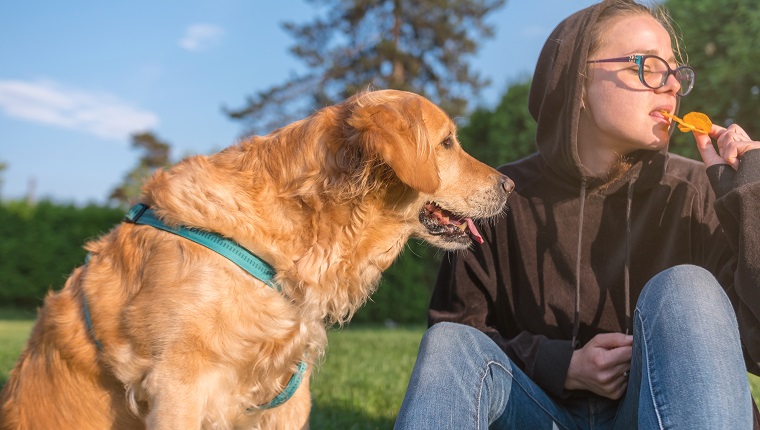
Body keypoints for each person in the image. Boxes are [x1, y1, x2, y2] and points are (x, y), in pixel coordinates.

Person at [394, 0, 760, 428]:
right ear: (579, 82)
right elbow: (461, 331)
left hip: (655, 415)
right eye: (648, 65)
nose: (672, 86)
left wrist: (751, 198)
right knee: (449, 343)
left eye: (675, 72)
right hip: (535, 412)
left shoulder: (698, 192)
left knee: (688, 287)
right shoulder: (497, 198)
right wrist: (559, 364)